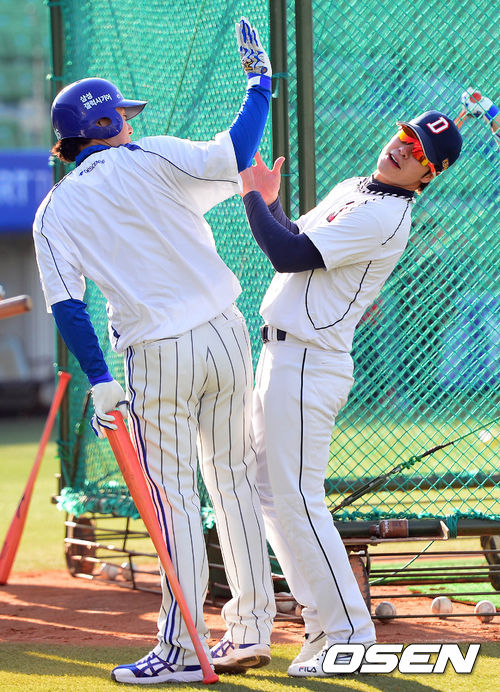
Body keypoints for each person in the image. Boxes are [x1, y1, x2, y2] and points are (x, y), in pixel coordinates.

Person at [33, 18, 276, 685]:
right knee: (233, 482)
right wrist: (260, 85)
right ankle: (251, 629)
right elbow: (239, 148)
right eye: (123, 116)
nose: (130, 124)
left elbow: (68, 306)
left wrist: (99, 378)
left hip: (156, 355)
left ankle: (180, 649)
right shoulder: (157, 157)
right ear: (107, 122)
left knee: (173, 501)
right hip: (224, 335)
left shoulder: (54, 210)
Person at [239, 111, 462, 677]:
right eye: (406, 136)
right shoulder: (355, 187)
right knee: (271, 495)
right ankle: (322, 621)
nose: (404, 148)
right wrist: (272, 203)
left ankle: (351, 636)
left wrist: (252, 197)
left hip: (309, 360)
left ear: (427, 175)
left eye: (419, 152)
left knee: (298, 498)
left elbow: (286, 256)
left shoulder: (387, 214)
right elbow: (296, 238)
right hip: (281, 355)